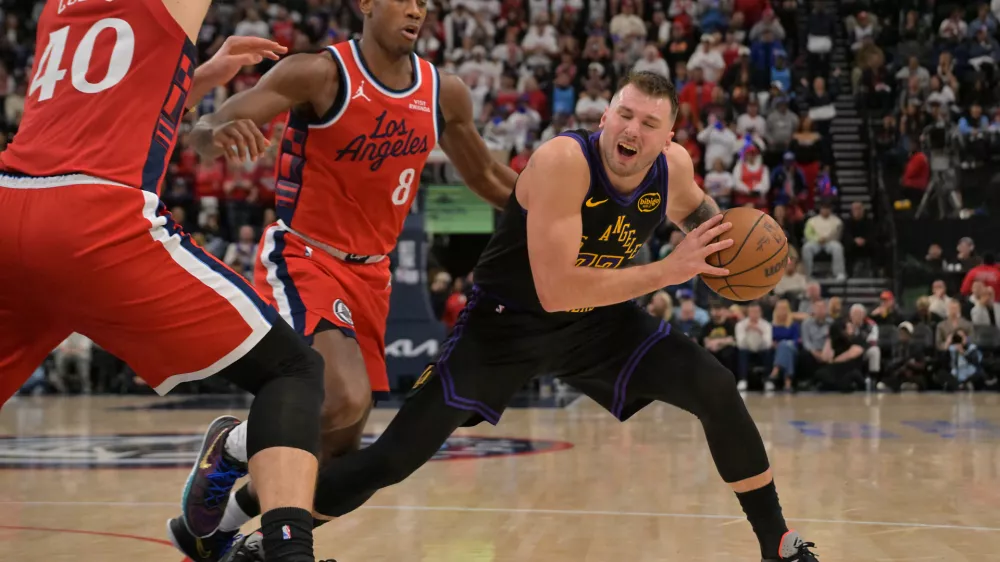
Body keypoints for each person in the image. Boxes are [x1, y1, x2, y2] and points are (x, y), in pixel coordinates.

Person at [221, 71, 819, 562]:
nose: (632, 129)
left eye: (650, 123)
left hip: (601, 324)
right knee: (394, 458)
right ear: (605, 116)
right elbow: (557, 290)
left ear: (667, 138)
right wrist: (669, 269)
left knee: (713, 385)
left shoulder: (674, 170)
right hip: (505, 325)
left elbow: (700, 215)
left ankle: (777, 542)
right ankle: (252, 525)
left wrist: (726, 251)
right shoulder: (565, 161)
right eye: (625, 115)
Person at [167, 0, 518, 556]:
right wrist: (218, 134)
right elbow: (210, 124)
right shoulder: (320, 73)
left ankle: (215, 531)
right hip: (305, 255)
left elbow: (489, 175)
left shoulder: (442, 92)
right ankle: (233, 446)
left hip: (372, 276)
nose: (415, 10)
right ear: (367, 4)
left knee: (338, 452)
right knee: (340, 397)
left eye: (423, 3)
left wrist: (558, 212)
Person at [0, 1, 332, 560]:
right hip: (92, 218)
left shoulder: (58, 8)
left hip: (12, 204)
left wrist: (198, 76)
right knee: (293, 369)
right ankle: (287, 552)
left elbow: (108, 102)